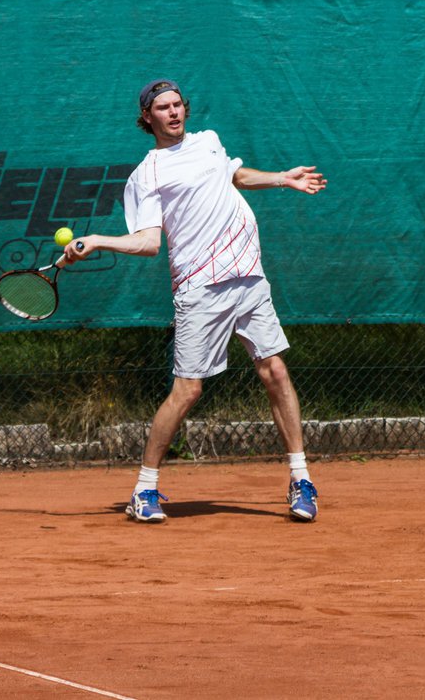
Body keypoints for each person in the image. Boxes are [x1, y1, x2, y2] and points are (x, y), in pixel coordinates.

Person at [64, 79, 328, 523]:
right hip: (200, 289)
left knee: (275, 370)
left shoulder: (208, 142)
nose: (174, 113)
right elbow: (149, 242)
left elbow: (235, 175)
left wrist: (283, 179)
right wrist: (98, 241)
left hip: (248, 277)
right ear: (147, 118)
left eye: (178, 105)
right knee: (188, 391)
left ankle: (300, 479)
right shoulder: (145, 175)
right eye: (163, 108)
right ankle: (144, 489)